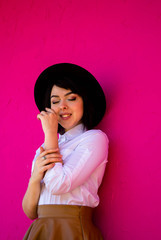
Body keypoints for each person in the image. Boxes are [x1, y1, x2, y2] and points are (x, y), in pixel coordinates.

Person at [22, 63, 109, 240]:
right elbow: (30, 212)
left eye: (71, 98)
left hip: (72, 229)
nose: (62, 106)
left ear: (85, 100)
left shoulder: (94, 138)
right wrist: (35, 177)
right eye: (55, 101)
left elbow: (58, 185)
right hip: (41, 229)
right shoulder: (44, 148)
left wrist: (49, 133)